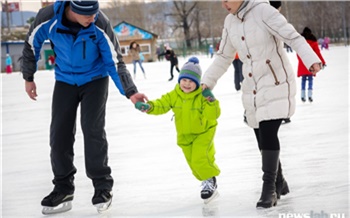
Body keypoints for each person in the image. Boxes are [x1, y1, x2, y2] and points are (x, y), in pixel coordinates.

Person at [20, 0, 147, 214]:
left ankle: (102, 186)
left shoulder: (100, 23)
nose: (92, 18)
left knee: (92, 130)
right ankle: (63, 188)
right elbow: (31, 45)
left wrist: (131, 92)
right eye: (87, 14)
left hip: (95, 80)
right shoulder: (47, 18)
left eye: (95, 13)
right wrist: (28, 77)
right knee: (59, 134)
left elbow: (115, 61)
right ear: (72, 9)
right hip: (65, 80)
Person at [202, 0, 322, 209]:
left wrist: (311, 59)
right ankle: (279, 181)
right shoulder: (230, 22)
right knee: (260, 136)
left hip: (275, 81)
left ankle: (269, 189)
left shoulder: (264, 11)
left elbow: (292, 36)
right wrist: (207, 81)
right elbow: (223, 56)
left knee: (267, 132)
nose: (224, 4)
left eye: (227, 0)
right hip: (253, 88)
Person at [135, 57, 221, 203]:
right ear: (179, 80)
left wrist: (211, 102)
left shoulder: (202, 95)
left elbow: (213, 115)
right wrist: (150, 107)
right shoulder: (174, 95)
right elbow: (161, 104)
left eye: (191, 81)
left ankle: (210, 181)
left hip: (203, 133)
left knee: (200, 158)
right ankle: (205, 180)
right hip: (184, 135)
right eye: (184, 80)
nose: (187, 84)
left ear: (197, 82)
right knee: (193, 164)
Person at [297, 27, 326, 103]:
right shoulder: (313, 41)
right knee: (310, 80)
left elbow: (298, 53)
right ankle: (310, 95)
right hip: (311, 63)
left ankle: (302, 96)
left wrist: (301, 61)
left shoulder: (301, 42)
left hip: (303, 63)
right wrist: (322, 62)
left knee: (303, 80)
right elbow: (318, 53)